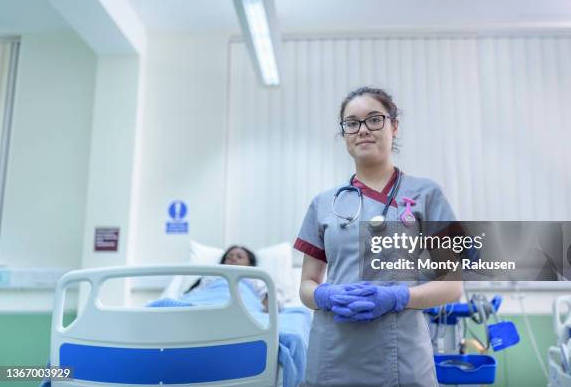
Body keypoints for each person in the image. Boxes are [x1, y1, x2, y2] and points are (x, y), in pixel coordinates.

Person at [295, 87, 463, 387]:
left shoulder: (426, 194)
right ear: (344, 133)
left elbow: (452, 286)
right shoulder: (323, 203)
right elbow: (307, 285)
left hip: (401, 352)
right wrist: (324, 295)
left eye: (374, 120)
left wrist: (400, 296)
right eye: (352, 123)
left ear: (394, 126)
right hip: (334, 351)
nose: (363, 130)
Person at [184, 245, 271, 311]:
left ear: (250, 263)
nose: (233, 258)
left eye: (239, 257)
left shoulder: (256, 279)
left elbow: (271, 302)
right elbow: (192, 296)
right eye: (229, 257)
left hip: (243, 310)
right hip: (206, 305)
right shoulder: (211, 277)